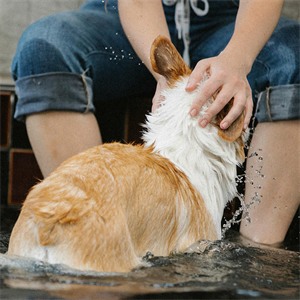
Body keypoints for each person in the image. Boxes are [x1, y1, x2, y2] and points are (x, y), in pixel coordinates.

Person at [11, 0, 300, 245]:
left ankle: (260, 253)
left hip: (230, 19)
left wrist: (238, 58)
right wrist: (164, 75)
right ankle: (89, 233)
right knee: (44, 47)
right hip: (128, 20)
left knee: (295, 55)